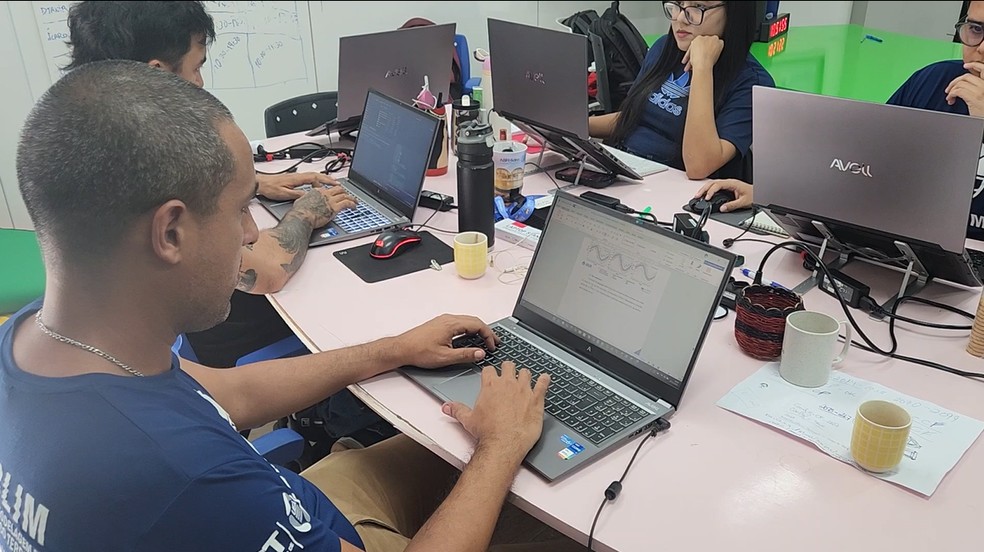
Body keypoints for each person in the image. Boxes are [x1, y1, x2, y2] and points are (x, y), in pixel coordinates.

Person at [0, 59, 585, 552]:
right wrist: (502, 445)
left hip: (289, 503)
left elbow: (229, 393)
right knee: (556, 513)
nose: (253, 236)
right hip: (277, 517)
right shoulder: (184, 478)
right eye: (240, 210)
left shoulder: (41, 338)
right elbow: (201, 480)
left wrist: (394, 349)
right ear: (170, 233)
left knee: (451, 448)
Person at [65, 1, 357, 367]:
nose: (199, 83)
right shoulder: (163, 166)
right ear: (156, 73)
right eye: (196, 66)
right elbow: (268, 272)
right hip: (220, 346)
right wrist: (306, 213)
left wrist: (253, 185)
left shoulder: (86, 136)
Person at [589, 1, 774, 180]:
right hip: (626, 167)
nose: (680, 18)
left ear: (734, 13)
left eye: (699, 7)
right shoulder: (664, 48)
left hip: (678, 188)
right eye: (678, 4)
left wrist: (702, 67)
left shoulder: (753, 82)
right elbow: (630, 119)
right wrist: (576, 124)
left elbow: (698, 166)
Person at [886, 0, 984, 241]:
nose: (981, 49)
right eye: (976, 29)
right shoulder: (932, 80)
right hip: (911, 244)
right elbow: (868, 165)